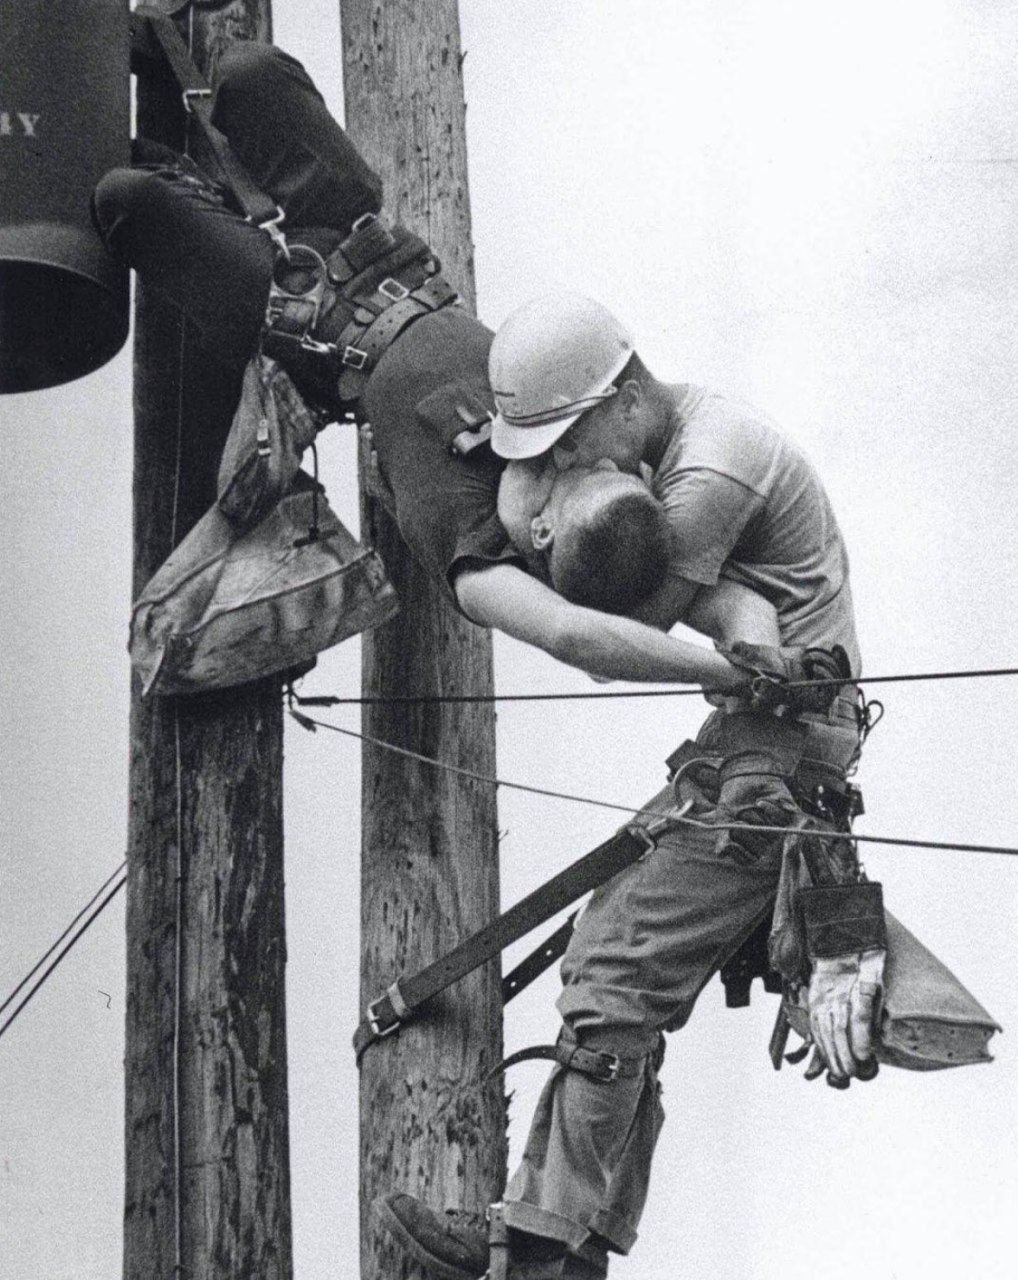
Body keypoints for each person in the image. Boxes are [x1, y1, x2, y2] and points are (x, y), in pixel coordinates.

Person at [376, 295, 885, 1280]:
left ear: (622, 398)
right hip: (754, 750)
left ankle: (533, 1252)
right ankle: (562, 1245)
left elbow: (593, 617)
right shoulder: (669, 439)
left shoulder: (708, 468)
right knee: (611, 964)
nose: (563, 467)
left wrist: (507, 493)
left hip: (770, 765)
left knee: (614, 974)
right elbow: (687, 595)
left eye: (566, 443)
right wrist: (535, 478)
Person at [92, 39, 837, 707]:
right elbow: (738, 605)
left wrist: (719, 681)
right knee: (245, 72)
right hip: (372, 249)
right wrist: (763, 663)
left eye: (580, 473)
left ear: (543, 530)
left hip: (299, 318)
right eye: (620, 468)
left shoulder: (484, 559)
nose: (581, 455)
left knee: (125, 199)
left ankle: (167, 173)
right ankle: (198, 145)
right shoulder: (576, 471)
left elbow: (580, 640)